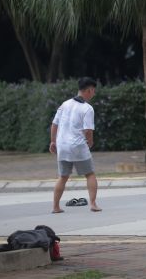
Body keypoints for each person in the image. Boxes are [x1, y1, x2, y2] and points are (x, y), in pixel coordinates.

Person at [50, 77, 101, 213]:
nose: (94, 94)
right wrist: (90, 142)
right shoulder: (87, 108)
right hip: (78, 146)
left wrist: (53, 141)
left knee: (63, 177)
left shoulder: (64, 104)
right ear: (89, 90)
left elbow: (54, 124)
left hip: (62, 145)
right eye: (93, 91)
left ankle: (55, 207)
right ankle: (93, 204)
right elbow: (88, 130)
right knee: (90, 174)